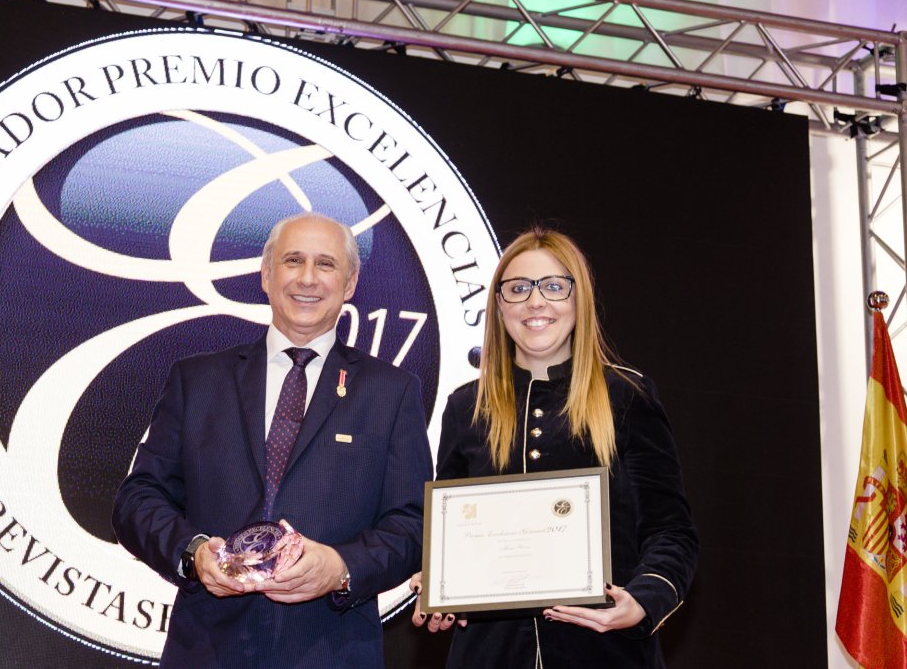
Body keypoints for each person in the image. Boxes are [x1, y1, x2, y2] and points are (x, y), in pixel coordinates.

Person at [113, 213, 433, 668]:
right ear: (266, 274)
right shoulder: (198, 379)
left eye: (325, 264)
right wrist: (194, 553)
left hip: (331, 651)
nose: (307, 278)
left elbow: (413, 523)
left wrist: (340, 568)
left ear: (350, 283)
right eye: (292, 260)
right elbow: (137, 500)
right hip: (207, 651)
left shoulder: (392, 391)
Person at [412, 227, 697, 668]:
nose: (536, 302)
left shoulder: (626, 395)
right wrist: (440, 584)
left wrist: (643, 600)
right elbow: (447, 535)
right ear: (499, 305)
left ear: (578, 299)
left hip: (607, 655)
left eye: (553, 286)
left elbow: (671, 532)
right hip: (490, 656)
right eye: (518, 288)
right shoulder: (465, 407)